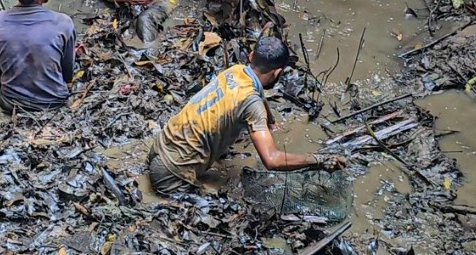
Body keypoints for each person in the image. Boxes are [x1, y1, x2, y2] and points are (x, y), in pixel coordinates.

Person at [147, 35, 346, 195]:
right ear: (277, 73)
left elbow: (258, 95)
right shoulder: (251, 104)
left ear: (251, 57)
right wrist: (318, 160)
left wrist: (271, 122)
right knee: (214, 197)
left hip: (159, 146)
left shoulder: (236, 71)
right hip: (173, 173)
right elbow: (272, 160)